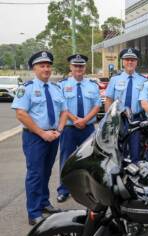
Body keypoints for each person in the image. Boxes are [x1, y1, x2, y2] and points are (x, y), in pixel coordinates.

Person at [11, 51, 67, 225]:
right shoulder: (26, 88)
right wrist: (42, 133)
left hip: (53, 135)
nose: (46, 69)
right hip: (35, 137)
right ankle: (33, 212)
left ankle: (44, 203)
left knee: (46, 172)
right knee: (35, 174)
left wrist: (59, 129)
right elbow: (21, 114)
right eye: (42, 66)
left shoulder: (56, 88)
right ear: (34, 69)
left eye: (48, 65)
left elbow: (64, 111)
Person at [56, 54, 101, 203]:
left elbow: (97, 105)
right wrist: (75, 120)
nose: (78, 69)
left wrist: (85, 120)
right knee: (66, 159)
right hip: (69, 129)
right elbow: (61, 106)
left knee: (90, 159)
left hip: (87, 128)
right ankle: (63, 190)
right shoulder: (61, 85)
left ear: (85, 68)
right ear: (71, 67)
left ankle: (89, 189)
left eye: (81, 66)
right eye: (75, 66)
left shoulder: (92, 85)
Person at [104, 48, 147, 162]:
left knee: (136, 152)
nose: (130, 62)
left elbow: (146, 102)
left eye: (132, 60)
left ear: (137, 62)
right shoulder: (114, 79)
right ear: (123, 61)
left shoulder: (144, 80)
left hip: (136, 121)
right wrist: (109, 120)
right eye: (127, 60)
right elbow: (108, 100)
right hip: (119, 120)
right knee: (118, 152)